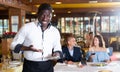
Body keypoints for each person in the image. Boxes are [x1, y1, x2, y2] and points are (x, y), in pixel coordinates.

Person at [10, 3, 62, 72]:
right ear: (38, 14)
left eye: (48, 16)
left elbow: (58, 47)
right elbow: (13, 45)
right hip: (30, 67)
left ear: (51, 16)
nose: (45, 18)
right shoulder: (26, 27)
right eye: (43, 15)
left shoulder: (55, 31)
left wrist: (57, 53)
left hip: (48, 66)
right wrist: (27, 48)